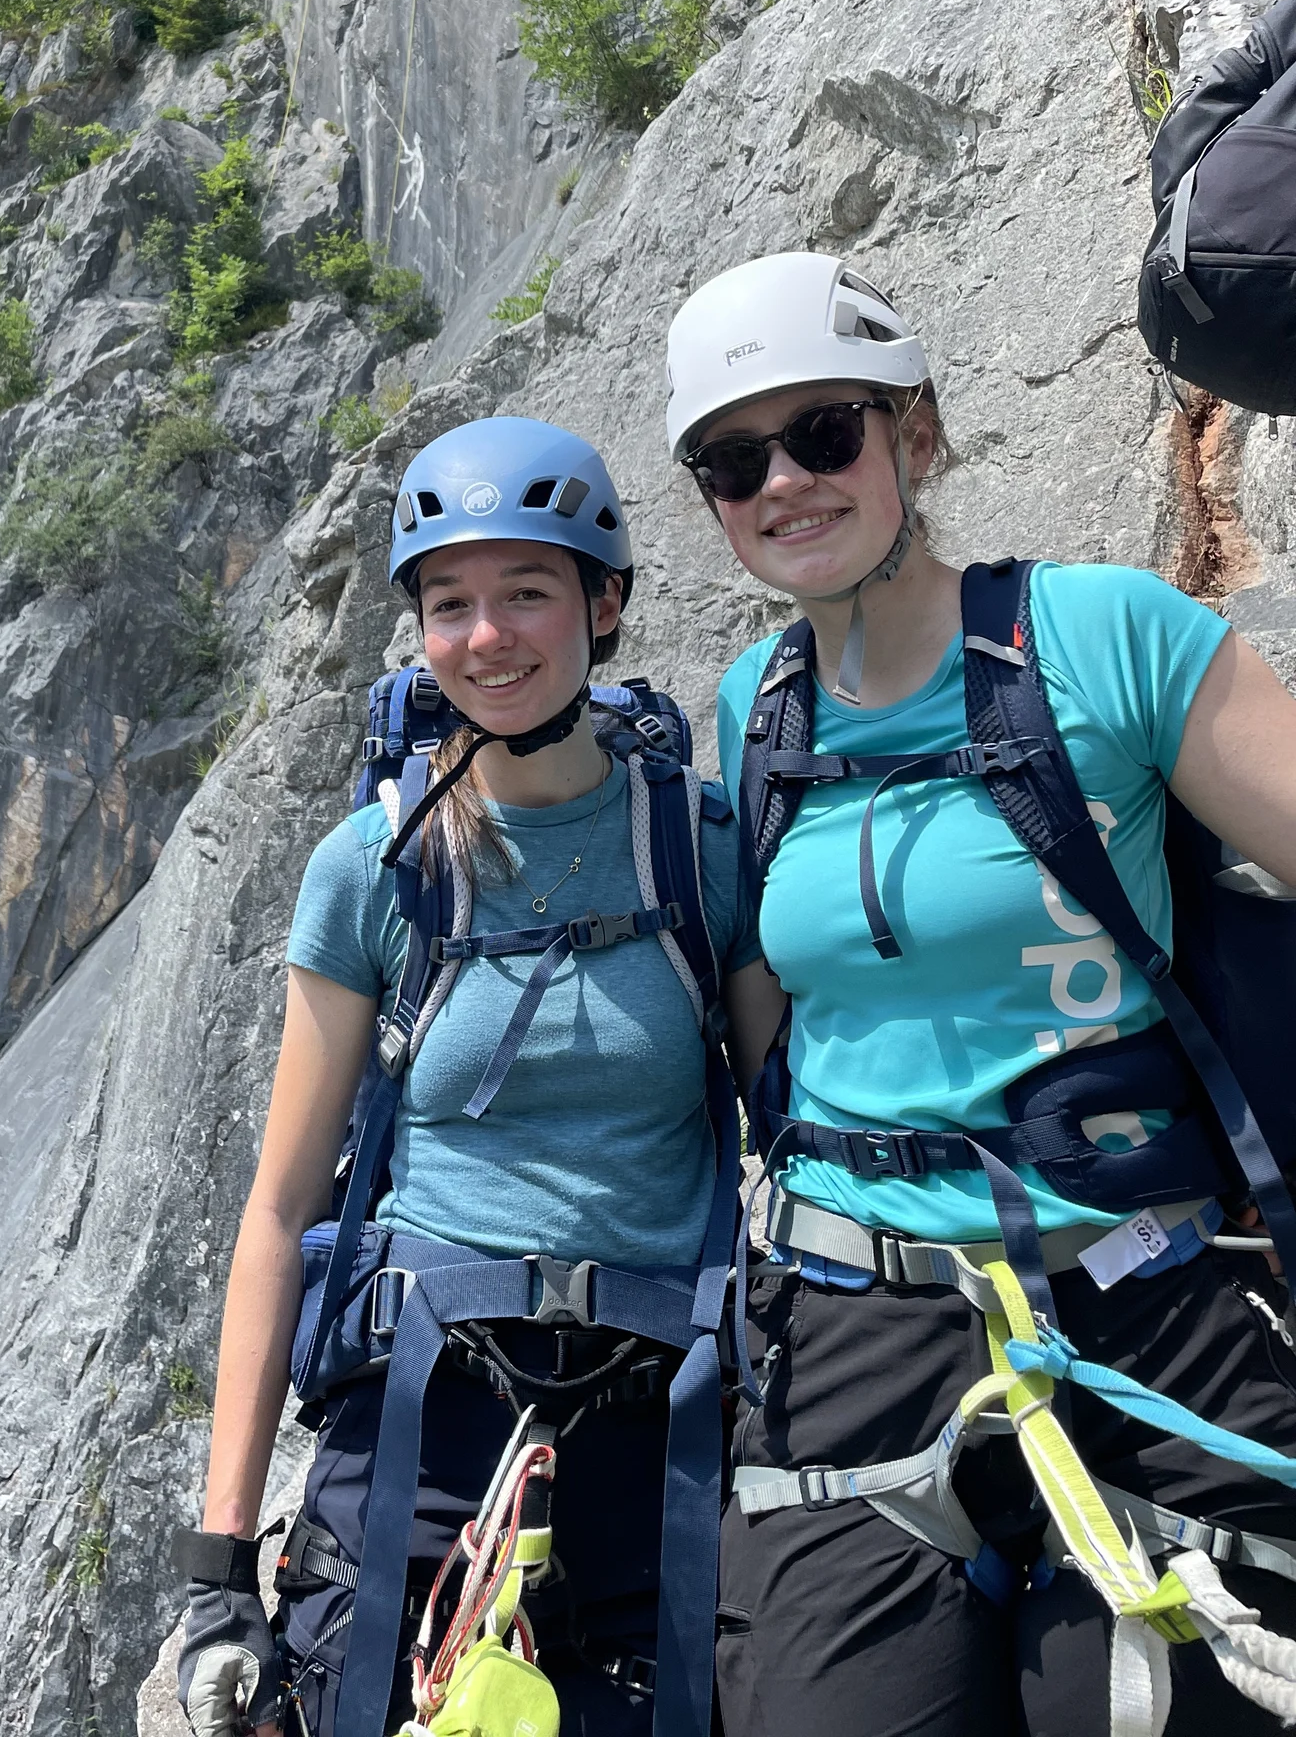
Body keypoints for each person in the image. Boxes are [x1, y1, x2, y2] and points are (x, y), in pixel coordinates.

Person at [665, 249, 1296, 1736]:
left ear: (917, 431)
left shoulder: (1105, 635)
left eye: (825, 432)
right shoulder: (754, 712)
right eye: (734, 460)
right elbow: (776, 1013)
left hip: (1139, 1293)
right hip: (853, 1324)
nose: (784, 484)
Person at [173, 416, 778, 1737]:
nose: (486, 636)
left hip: (656, 1432)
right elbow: (277, 1215)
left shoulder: (701, 848)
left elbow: (788, 1124)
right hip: (421, 1432)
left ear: (602, 605)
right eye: (450, 604)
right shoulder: (373, 871)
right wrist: (221, 1565)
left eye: (526, 594)